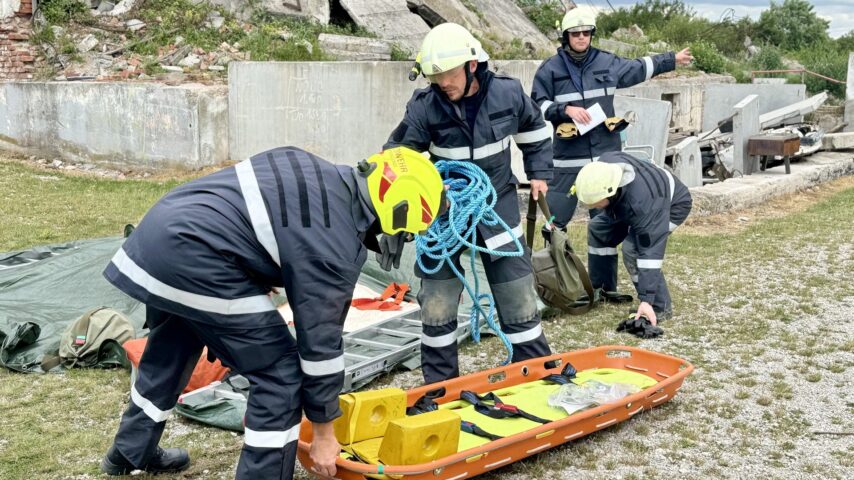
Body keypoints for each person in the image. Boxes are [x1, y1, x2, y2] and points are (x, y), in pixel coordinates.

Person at [98, 146, 445, 479]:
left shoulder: (310, 167)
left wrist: (251, 269)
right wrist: (324, 433)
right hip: (197, 257)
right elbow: (320, 347)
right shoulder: (334, 245)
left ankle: (129, 453)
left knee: (172, 348)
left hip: (155, 241)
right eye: (404, 231)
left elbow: (252, 219)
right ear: (397, 211)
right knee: (280, 374)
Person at [382, 22, 554, 385]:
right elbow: (397, 156)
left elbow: (535, 130)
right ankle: (440, 385)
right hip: (444, 207)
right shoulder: (425, 107)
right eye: (435, 76)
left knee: (515, 286)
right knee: (437, 297)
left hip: (497, 199)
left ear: (472, 65)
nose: (442, 82)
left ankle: (535, 373)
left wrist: (539, 172)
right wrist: (402, 208)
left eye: (448, 73)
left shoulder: (507, 94)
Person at [531, 8, 693, 298]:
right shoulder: (549, 70)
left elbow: (638, 67)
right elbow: (537, 105)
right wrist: (563, 110)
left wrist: (672, 59)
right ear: (565, 36)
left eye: (586, 33)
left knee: (602, 226)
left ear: (591, 34)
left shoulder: (606, 61)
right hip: (568, 160)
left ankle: (603, 286)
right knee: (554, 222)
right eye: (575, 33)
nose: (581, 38)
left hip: (605, 160)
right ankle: (553, 285)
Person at [571, 151, 692, 327]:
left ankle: (658, 306)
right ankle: (603, 289)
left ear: (611, 191)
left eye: (595, 202)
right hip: (624, 203)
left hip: (671, 206)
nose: (592, 207)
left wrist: (646, 299)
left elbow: (650, 253)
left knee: (633, 249)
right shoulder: (603, 168)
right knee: (599, 229)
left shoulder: (644, 206)